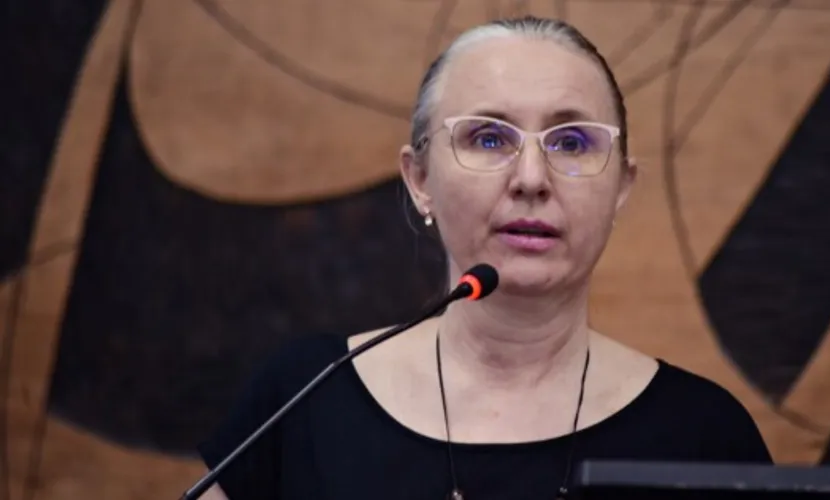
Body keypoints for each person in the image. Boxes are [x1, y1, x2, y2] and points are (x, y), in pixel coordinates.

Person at [195, 15, 772, 500]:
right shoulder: (305, 398)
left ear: (621, 186)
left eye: (571, 143)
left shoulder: (703, 433)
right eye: (490, 139)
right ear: (419, 178)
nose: (530, 179)